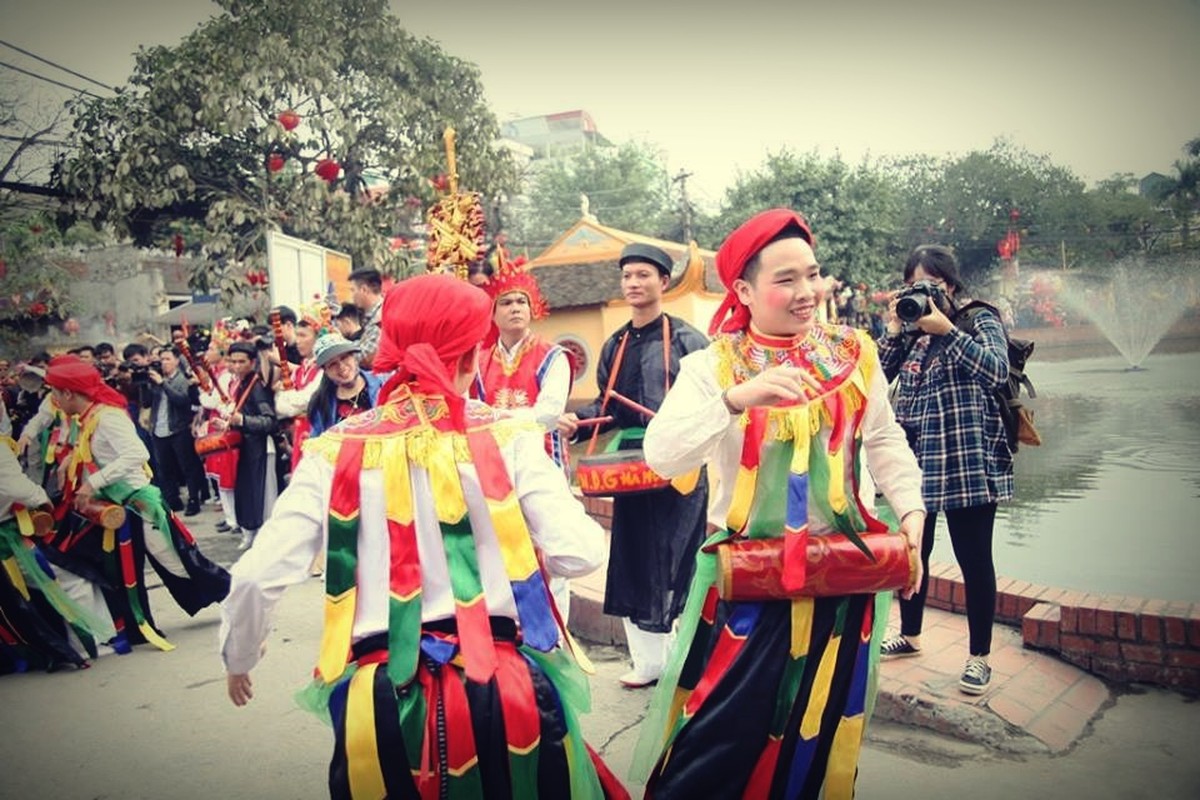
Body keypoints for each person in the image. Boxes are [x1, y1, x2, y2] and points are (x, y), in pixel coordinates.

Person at [220, 274, 628, 800]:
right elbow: (581, 551)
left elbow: (255, 577)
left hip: (382, 695)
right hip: (502, 688)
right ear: (471, 354)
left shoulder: (331, 450)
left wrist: (240, 656)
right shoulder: (509, 436)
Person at [633, 208, 926, 797]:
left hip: (842, 579)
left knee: (815, 733)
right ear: (743, 289)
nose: (807, 293)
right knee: (717, 738)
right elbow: (663, 456)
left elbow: (886, 439)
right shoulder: (713, 366)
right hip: (749, 584)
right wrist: (735, 400)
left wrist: (913, 514)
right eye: (786, 279)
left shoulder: (853, 353)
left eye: (812, 275)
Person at [557, 242, 709, 688]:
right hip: (632, 471)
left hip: (680, 472)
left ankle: (689, 663)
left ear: (664, 282)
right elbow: (609, 409)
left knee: (682, 561)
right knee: (635, 563)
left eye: (643, 275)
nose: (634, 283)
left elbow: (713, 401)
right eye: (627, 276)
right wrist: (578, 423)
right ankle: (649, 664)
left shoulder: (687, 340)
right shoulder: (615, 344)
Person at [876, 244, 1012, 695]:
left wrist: (948, 330)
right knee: (915, 551)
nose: (924, 292)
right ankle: (911, 635)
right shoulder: (913, 331)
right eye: (914, 285)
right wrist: (896, 327)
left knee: (975, 560)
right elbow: (876, 378)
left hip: (968, 461)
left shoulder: (978, 319)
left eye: (932, 284)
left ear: (950, 285)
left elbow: (996, 371)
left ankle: (979, 657)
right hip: (919, 463)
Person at [36, 355, 230, 653]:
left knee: (178, 563)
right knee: (122, 569)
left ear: (68, 394)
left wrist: (92, 483)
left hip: (138, 502)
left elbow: (136, 454)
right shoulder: (86, 418)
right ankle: (136, 626)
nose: (52, 400)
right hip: (116, 505)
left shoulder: (107, 417)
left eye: (54, 393)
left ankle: (238, 593)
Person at [471, 253, 575, 622]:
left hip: (543, 465)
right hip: (494, 467)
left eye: (521, 302)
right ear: (493, 313)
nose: (515, 308)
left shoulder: (554, 356)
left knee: (552, 550)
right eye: (506, 302)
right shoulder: (478, 360)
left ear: (533, 309)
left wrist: (495, 418)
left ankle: (558, 639)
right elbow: (469, 408)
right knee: (500, 550)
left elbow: (548, 412)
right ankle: (512, 632)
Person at [210, 341, 277, 550]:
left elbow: (269, 421)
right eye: (233, 361)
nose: (237, 366)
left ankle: (266, 540)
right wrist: (229, 423)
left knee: (263, 498)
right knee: (247, 494)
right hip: (247, 449)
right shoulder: (243, 383)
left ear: (252, 362)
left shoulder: (256, 386)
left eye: (242, 362)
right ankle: (251, 533)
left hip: (261, 450)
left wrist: (243, 421)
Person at [146, 346, 208, 516]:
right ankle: (173, 500)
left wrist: (162, 383)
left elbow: (182, 401)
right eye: (161, 360)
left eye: (167, 359)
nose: (164, 363)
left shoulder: (182, 379)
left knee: (187, 466)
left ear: (176, 361)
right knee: (165, 468)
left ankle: (194, 499)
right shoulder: (156, 378)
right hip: (158, 428)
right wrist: (146, 383)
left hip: (179, 428)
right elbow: (145, 403)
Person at [304, 333, 382, 439]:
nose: (341, 366)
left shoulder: (383, 384)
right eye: (332, 364)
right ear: (325, 371)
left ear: (354, 357)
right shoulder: (321, 405)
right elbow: (317, 446)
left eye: (344, 357)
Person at [347, 267, 384, 369]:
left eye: (353, 290)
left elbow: (367, 358)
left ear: (364, 290)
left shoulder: (381, 316)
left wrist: (341, 357)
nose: (351, 296)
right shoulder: (374, 314)